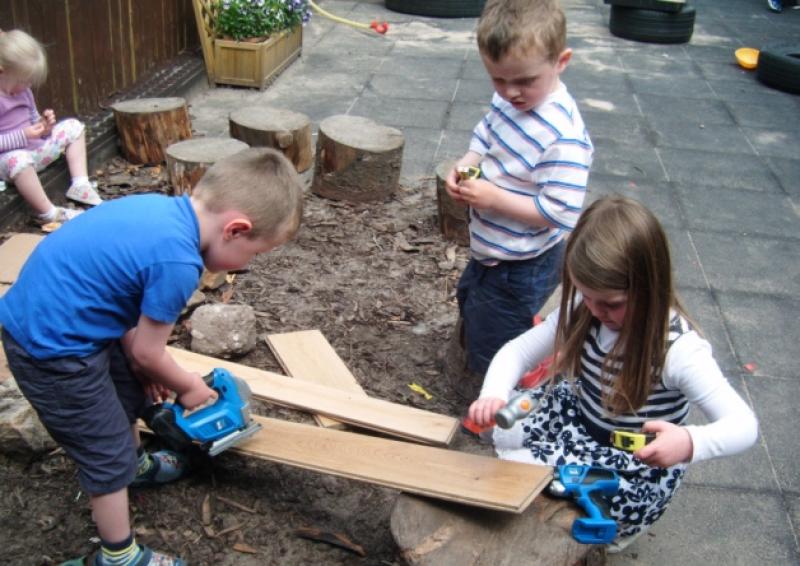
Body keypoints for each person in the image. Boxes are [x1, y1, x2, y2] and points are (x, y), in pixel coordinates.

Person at [0, 147, 304, 566]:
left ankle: (136, 465)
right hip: (52, 351)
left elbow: (116, 299)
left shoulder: (158, 209)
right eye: (253, 255)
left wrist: (142, 368)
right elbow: (148, 351)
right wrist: (190, 386)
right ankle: (118, 555)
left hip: (65, 322)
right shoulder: (179, 262)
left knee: (129, 391)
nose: (244, 265)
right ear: (235, 229)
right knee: (103, 452)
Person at [468, 196, 758, 552]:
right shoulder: (585, 308)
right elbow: (517, 351)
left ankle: (616, 526)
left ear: (651, 286)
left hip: (628, 463)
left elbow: (744, 425)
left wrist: (689, 443)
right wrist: (493, 392)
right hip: (576, 418)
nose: (595, 310)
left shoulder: (679, 351)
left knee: (515, 473)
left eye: (612, 303)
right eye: (587, 296)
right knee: (504, 425)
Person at [445, 0, 593, 379]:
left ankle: (499, 408)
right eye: (498, 79)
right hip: (492, 249)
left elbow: (559, 212)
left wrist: (494, 199)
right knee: (472, 303)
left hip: (523, 263)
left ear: (561, 61)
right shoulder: (510, 98)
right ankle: (476, 361)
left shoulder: (563, 136)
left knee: (503, 342)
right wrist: (468, 159)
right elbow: (486, 134)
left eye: (525, 81)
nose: (511, 93)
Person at [0, 29, 101, 225]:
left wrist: (44, 126)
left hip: (34, 151)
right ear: (2, 70)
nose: (27, 85)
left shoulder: (24, 92)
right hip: (10, 163)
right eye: (23, 80)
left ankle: (80, 184)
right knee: (18, 159)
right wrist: (24, 135)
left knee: (73, 126)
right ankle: (48, 212)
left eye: (30, 81)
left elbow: (32, 118)